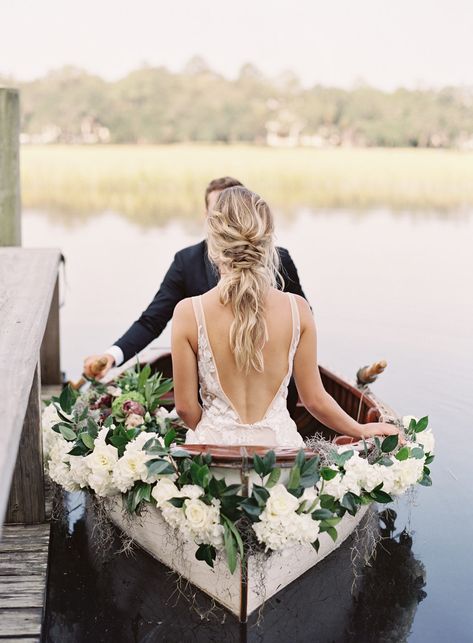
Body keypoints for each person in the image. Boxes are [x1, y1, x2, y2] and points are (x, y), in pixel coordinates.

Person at [171, 186, 400, 446]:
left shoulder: (188, 313)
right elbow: (314, 400)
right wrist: (360, 429)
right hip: (281, 453)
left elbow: (186, 408)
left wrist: (214, 432)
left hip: (212, 454)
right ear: (268, 239)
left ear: (213, 240)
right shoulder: (297, 309)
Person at [83, 176, 306, 379]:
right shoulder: (186, 262)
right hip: (210, 390)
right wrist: (111, 356)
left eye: (235, 214)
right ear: (207, 217)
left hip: (275, 383)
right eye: (221, 213)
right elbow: (152, 321)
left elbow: (302, 324)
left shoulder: (280, 260)